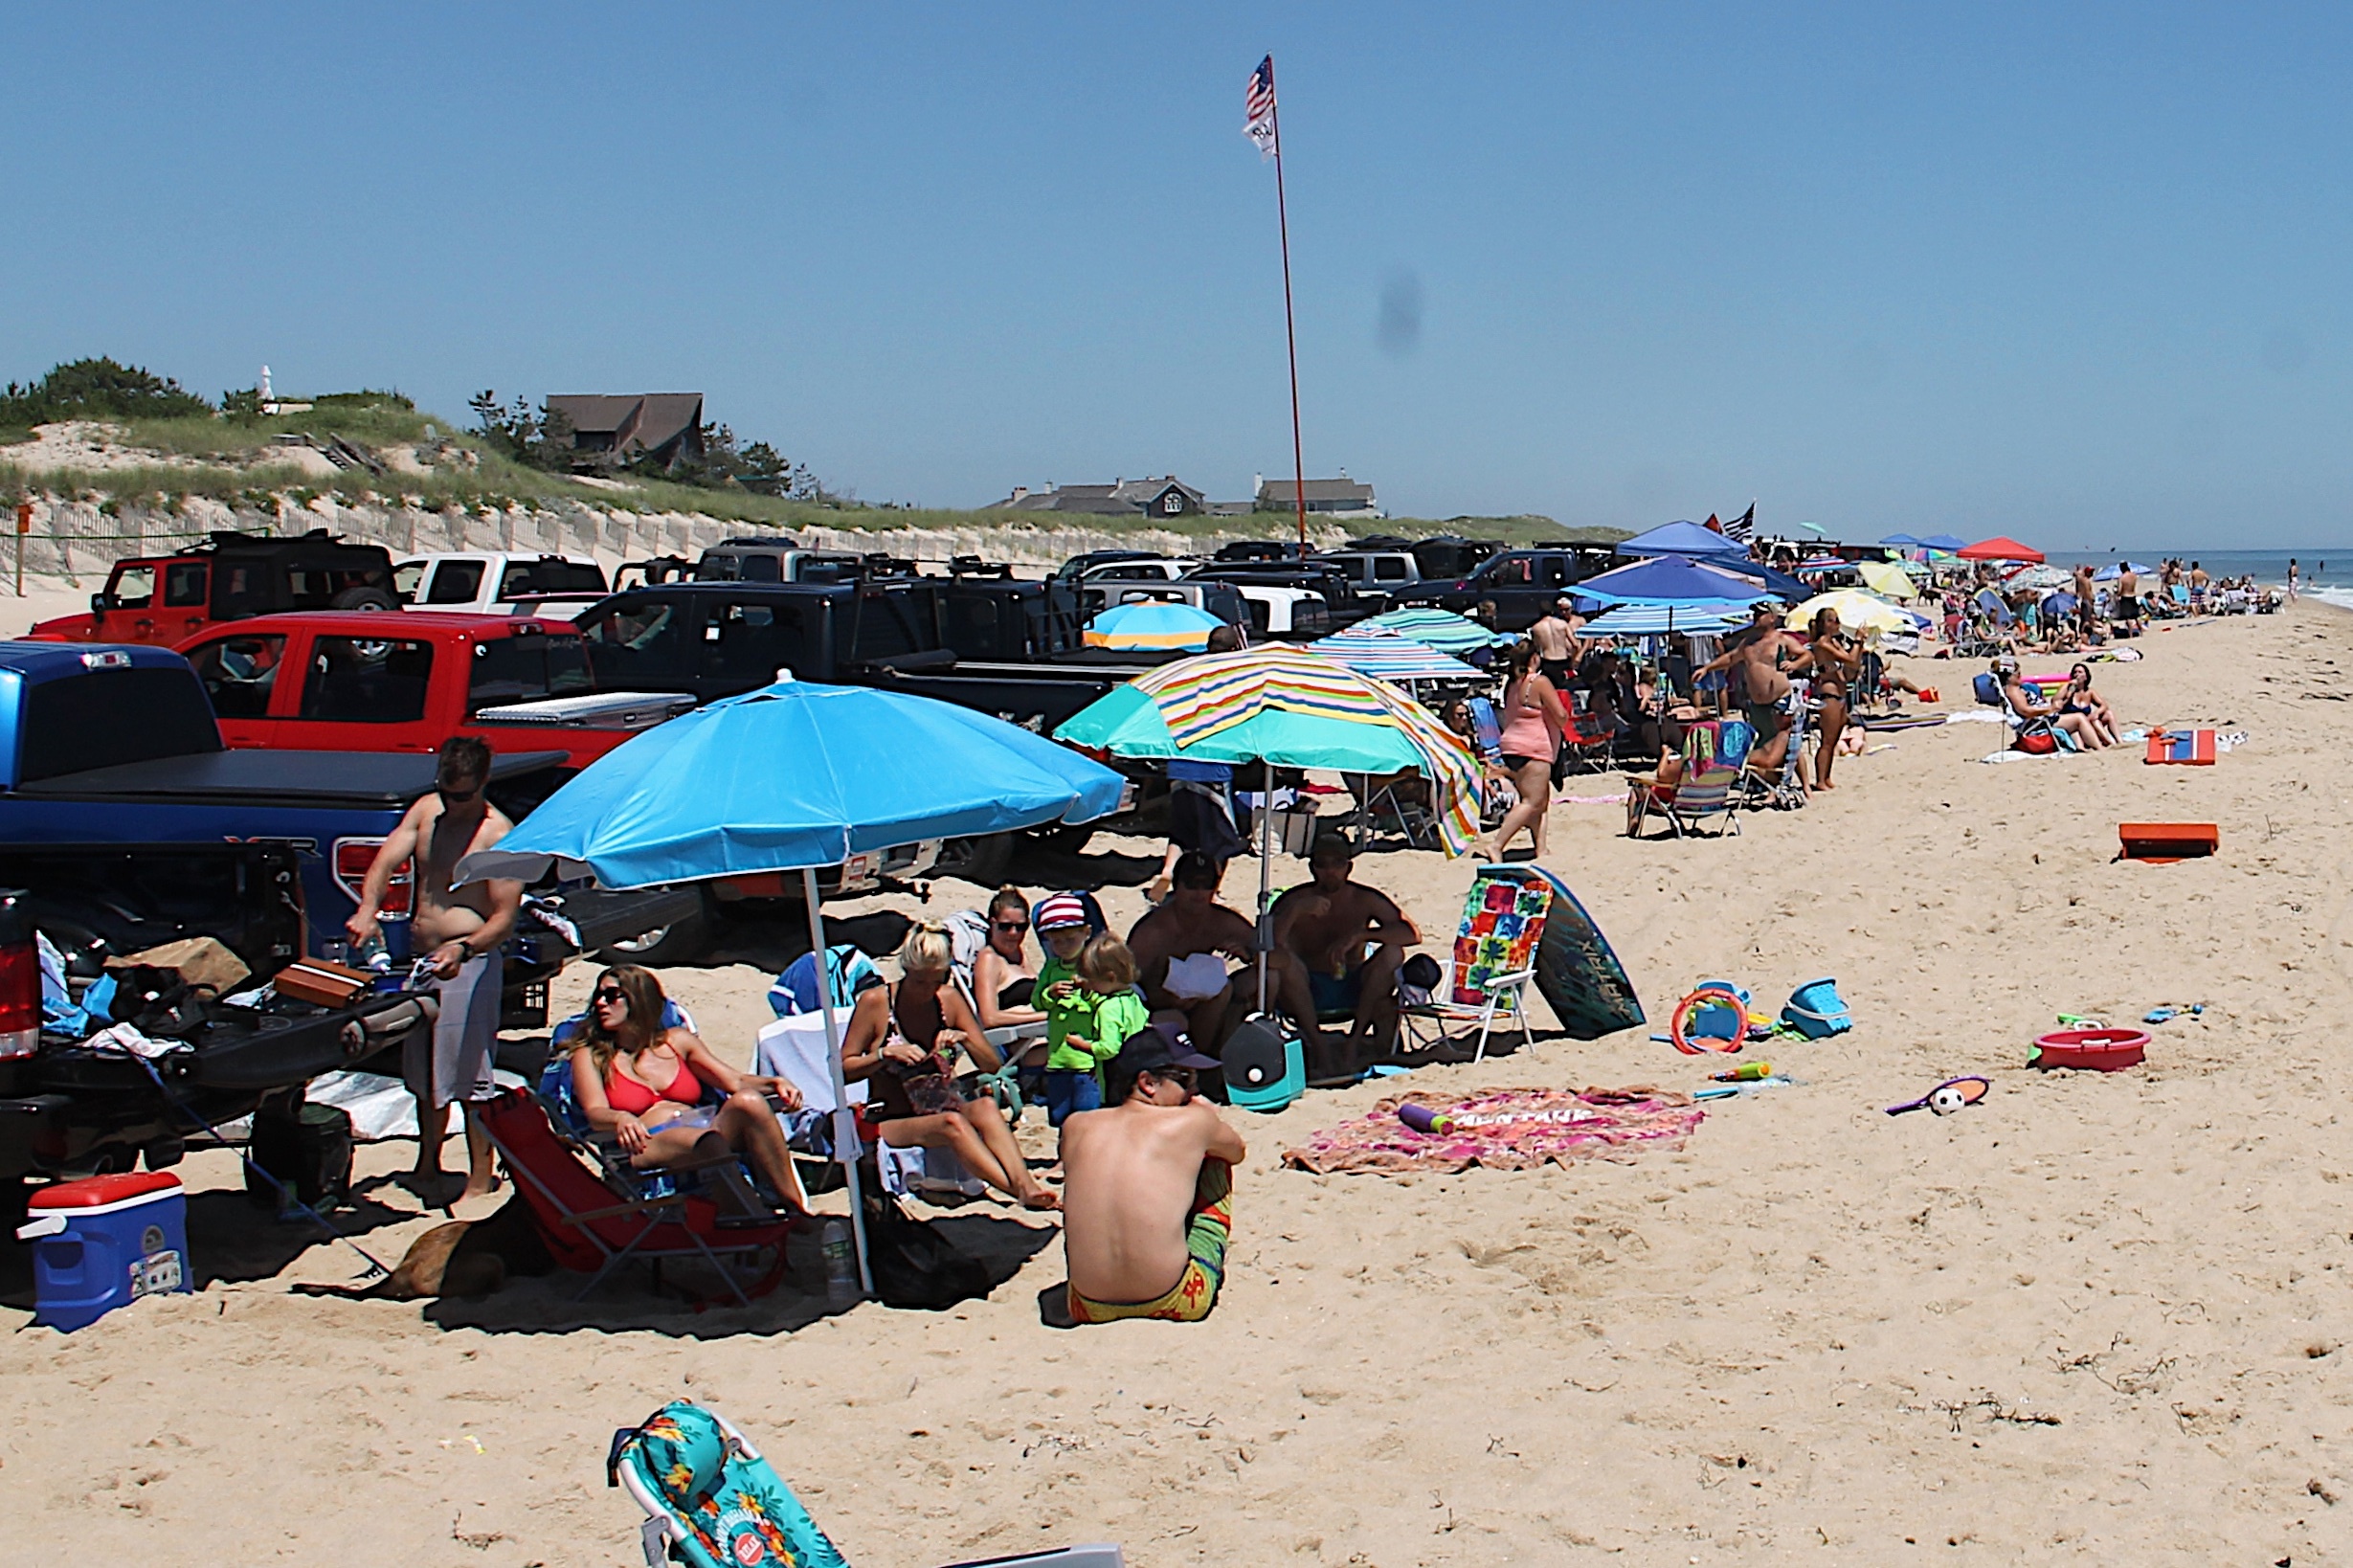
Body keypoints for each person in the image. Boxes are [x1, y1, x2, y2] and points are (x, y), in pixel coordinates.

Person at [347, 736, 522, 1205]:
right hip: (425, 960)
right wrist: (368, 909)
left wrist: (464, 948)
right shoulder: (428, 811)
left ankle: (480, 1175)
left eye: (463, 795)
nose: (454, 803)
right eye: (447, 791)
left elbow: (504, 918)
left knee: (468, 1075)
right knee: (424, 1074)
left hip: (470, 961)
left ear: (483, 783)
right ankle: (428, 1163)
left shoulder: (496, 835)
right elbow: (385, 862)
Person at [840, 922, 1058, 1209]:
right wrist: (883, 1056)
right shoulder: (877, 1002)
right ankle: (1017, 1192)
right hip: (892, 1117)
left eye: (936, 980)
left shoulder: (948, 1000)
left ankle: (1026, 1184)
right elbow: (844, 1069)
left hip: (943, 1102)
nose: (928, 990)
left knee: (985, 1107)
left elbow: (992, 1066)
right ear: (906, 971)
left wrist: (965, 1039)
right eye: (920, 981)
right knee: (952, 1123)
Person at [566, 964, 809, 1216]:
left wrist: (774, 1083)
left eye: (612, 995)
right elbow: (594, 1112)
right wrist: (619, 1117)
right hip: (645, 1143)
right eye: (598, 995)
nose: (600, 1003)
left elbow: (734, 1082)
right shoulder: (591, 1055)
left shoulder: (677, 1041)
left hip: (700, 1128)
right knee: (708, 1141)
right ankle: (757, 1220)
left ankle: (795, 1208)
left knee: (749, 1102)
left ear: (639, 998)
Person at [1059, 1026, 1244, 1325]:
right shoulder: (1194, 1121)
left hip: (1087, 1305)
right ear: (1147, 1083)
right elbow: (1236, 1151)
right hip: (1176, 1298)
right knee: (1216, 1159)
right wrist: (1207, 1115)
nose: (1193, 1091)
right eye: (1186, 1079)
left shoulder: (1076, 1125)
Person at [1268, 835, 1421, 1078]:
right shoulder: (1295, 900)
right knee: (1283, 963)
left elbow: (1411, 934)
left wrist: (1362, 935)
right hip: (1308, 986)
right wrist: (1295, 913)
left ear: (1348, 867)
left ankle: (1355, 1039)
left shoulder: (1364, 898)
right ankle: (1319, 1047)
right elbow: (1268, 945)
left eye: (1337, 864)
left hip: (1354, 983)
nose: (1330, 871)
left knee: (1392, 953)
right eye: (1322, 864)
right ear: (1312, 867)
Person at [1127, 852, 1255, 1055]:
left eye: (1207, 885)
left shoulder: (1223, 922)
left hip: (1204, 1005)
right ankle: (1197, 1060)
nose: (1199, 892)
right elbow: (1127, 983)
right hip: (1156, 1007)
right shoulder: (1153, 932)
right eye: (1191, 884)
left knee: (1240, 985)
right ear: (1177, 886)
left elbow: (1273, 956)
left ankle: (1207, 1058)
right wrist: (1163, 999)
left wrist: (1248, 955)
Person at [1036, 928, 1149, 1126]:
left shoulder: (1108, 1009)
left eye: (1093, 981)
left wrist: (1083, 1045)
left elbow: (1109, 1048)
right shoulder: (1133, 999)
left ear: (1111, 977)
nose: (1091, 985)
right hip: (1134, 1068)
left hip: (1111, 1075)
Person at [1490, 639, 1567, 861]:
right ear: (1534, 658)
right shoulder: (1539, 682)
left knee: (1540, 801)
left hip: (1511, 744)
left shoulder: (1511, 684)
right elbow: (1560, 715)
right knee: (1531, 802)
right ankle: (1497, 845)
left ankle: (1540, 848)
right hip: (1533, 746)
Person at [1698, 607, 1797, 777]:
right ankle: (1768, 781)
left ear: (1772, 617)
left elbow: (1807, 655)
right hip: (1757, 703)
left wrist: (1795, 664)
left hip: (1779, 699)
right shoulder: (1748, 643)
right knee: (1762, 742)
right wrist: (1708, 668)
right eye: (1755, 614)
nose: (1756, 617)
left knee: (1783, 743)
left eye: (1761, 614)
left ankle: (1794, 784)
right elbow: (1731, 658)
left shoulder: (1781, 639)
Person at [1787, 608, 1860, 790]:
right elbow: (1850, 659)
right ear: (1824, 624)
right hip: (1830, 693)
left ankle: (1826, 778)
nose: (1837, 624)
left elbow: (1853, 664)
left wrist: (1860, 645)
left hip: (1840, 693)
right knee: (1827, 740)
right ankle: (1820, 780)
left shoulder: (1834, 643)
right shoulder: (1822, 644)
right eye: (1834, 620)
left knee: (1834, 739)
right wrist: (1858, 641)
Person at [969, 885, 1044, 1034]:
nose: (1013, 933)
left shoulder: (1018, 952)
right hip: (1023, 1039)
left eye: (1021, 927)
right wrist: (1043, 1017)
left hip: (1043, 1032)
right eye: (1005, 926)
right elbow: (990, 1018)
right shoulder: (989, 959)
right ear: (992, 923)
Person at [1994, 657, 2100, 750]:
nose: (2020, 676)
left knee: (2073, 719)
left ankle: (2081, 747)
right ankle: (2099, 748)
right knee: (2079, 718)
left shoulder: (2015, 689)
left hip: (2041, 719)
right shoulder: (2013, 691)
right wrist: (2050, 709)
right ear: (2009, 677)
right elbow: (2026, 711)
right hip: (2038, 724)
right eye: (2017, 674)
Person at [2061, 662, 2118, 746]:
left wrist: (2097, 713)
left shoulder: (2090, 692)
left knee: (2108, 714)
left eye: (2080, 672)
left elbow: (2104, 705)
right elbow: (2063, 702)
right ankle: (2108, 742)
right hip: (2076, 726)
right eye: (2075, 672)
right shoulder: (2068, 691)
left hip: (2089, 722)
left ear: (2086, 676)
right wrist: (2071, 688)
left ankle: (2119, 741)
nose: (2077, 675)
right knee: (2094, 720)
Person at [1529, 597, 1578, 689]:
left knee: (1550, 690)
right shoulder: (1562, 624)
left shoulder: (1536, 628)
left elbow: (1537, 648)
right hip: (1563, 660)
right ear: (1552, 610)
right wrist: (1573, 661)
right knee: (1565, 690)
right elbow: (1575, 644)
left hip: (1548, 662)